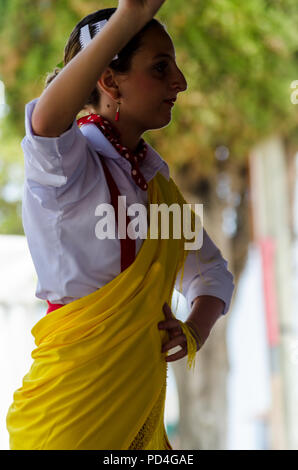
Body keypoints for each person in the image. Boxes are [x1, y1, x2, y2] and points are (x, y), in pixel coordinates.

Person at [6, 0, 234, 450]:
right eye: (161, 67)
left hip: (142, 420)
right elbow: (46, 121)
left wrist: (193, 331)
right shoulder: (70, 166)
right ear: (109, 81)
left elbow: (211, 273)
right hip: (68, 418)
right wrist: (129, 17)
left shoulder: (156, 186)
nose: (180, 83)